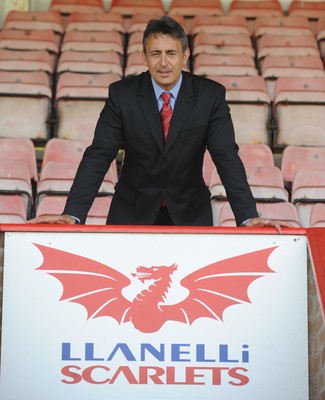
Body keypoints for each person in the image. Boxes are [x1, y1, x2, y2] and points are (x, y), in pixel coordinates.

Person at [28, 15, 291, 233]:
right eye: (155, 53)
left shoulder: (210, 96)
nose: (163, 63)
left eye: (171, 53)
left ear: (185, 55)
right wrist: (72, 213)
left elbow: (226, 157)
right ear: (144, 57)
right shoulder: (122, 95)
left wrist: (247, 216)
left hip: (190, 215)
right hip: (130, 214)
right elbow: (99, 155)